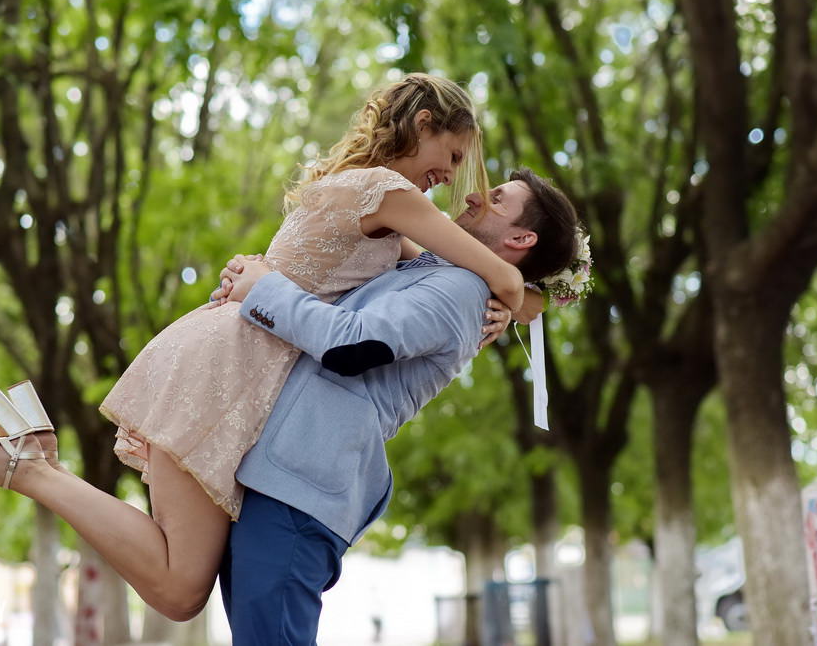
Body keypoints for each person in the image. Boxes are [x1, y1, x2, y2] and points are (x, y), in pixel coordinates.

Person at [0, 74, 528, 621]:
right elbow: (495, 274)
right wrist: (506, 296)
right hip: (229, 364)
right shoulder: (390, 194)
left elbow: (438, 277)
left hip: (237, 361)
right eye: (451, 155)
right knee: (181, 590)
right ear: (423, 124)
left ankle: (28, 461)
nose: (450, 175)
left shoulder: (375, 200)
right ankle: (28, 466)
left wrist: (497, 306)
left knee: (182, 590)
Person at [212, 167, 579, 642]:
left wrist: (262, 288)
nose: (474, 195)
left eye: (498, 198)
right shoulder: (445, 270)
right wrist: (520, 297)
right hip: (279, 477)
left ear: (522, 236)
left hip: (300, 487)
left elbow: (353, 346)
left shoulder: (463, 293)